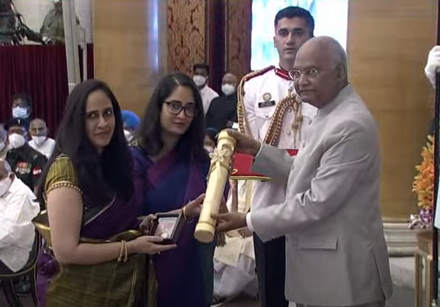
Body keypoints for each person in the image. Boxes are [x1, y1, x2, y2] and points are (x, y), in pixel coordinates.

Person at [215, 36, 393, 307]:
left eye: (312, 72)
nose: (301, 81)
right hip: (327, 270)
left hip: (344, 276)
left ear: (339, 72)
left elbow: (315, 204)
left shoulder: (349, 124)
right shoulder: (330, 112)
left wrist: (247, 220)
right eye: (297, 73)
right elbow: (302, 170)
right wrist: (256, 149)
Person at [34, 79, 175, 307]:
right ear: (76, 121)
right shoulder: (66, 169)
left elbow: (111, 222)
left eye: (108, 113)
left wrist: (139, 225)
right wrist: (130, 247)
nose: (103, 123)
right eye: (92, 116)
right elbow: (66, 252)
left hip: (121, 288)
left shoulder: (117, 160)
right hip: (77, 292)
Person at [237, 6, 317, 307]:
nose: (290, 40)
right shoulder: (253, 86)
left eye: (298, 32)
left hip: (313, 206)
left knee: (315, 293)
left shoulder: (326, 88)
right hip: (269, 205)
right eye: (283, 33)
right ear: (273, 39)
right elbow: (246, 156)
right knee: (272, 295)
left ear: (311, 36)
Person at [131, 72, 227, 307]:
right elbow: (132, 222)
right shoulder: (134, 158)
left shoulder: (200, 158)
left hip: (194, 263)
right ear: (159, 107)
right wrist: (184, 213)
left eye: (190, 108)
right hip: (149, 267)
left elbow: (215, 201)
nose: (183, 115)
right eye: (175, 106)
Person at [0, 158, 40, 273]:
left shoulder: (22, 196)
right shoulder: (5, 189)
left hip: (12, 256)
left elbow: (8, 234)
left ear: (10, 175)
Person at [4, 118, 47, 194]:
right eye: (11, 132)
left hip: (26, 200)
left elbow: (38, 187)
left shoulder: (36, 157)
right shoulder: (8, 155)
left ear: (27, 134)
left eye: (19, 132)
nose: (14, 135)